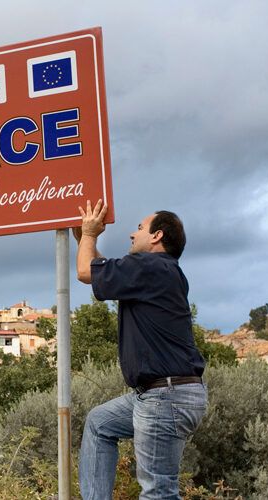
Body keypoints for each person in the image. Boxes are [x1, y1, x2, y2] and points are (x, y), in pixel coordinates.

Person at [74, 200, 207, 500]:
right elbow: (100, 269)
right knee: (99, 423)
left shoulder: (150, 266)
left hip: (165, 396)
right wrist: (83, 237)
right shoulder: (158, 271)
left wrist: (90, 234)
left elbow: (84, 272)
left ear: (157, 236)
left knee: (158, 491)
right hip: (162, 394)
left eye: (139, 228)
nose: (132, 234)